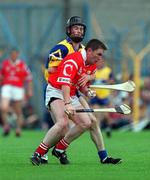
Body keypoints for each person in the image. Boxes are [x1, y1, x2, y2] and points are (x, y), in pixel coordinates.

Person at [39, 16, 122, 165]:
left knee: (93, 122)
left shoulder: (85, 50)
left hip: (75, 90)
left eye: (81, 28)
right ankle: (47, 152)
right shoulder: (62, 48)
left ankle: (104, 156)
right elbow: (51, 69)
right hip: (58, 88)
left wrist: (87, 75)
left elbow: (92, 71)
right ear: (69, 30)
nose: (79, 31)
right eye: (75, 28)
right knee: (62, 126)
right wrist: (73, 69)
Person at [0, 48, 33, 136]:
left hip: (18, 88)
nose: (13, 56)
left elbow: (29, 78)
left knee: (18, 110)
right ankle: (6, 125)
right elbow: (1, 76)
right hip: (6, 86)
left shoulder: (22, 65)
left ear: (18, 54)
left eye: (15, 54)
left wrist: (29, 90)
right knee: (3, 107)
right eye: (12, 54)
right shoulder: (5, 64)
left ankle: (18, 129)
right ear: (10, 55)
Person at [90, 60, 115, 137]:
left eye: (101, 62)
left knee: (106, 115)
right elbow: (90, 81)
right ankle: (98, 130)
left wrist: (106, 82)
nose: (99, 63)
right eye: (97, 62)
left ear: (103, 62)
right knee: (96, 113)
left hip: (104, 95)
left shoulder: (108, 71)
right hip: (95, 95)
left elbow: (112, 81)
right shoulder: (93, 70)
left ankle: (108, 128)